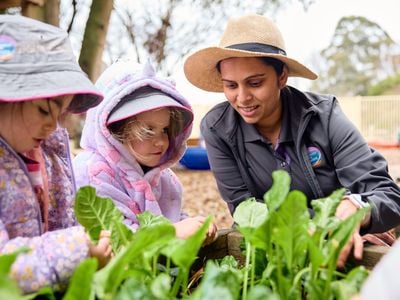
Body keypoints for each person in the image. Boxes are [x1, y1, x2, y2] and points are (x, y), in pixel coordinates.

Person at [183, 13, 400, 268]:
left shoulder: (325, 116)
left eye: (255, 83)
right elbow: (244, 210)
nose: (242, 98)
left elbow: (387, 195)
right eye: (231, 85)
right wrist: (311, 225)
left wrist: (356, 210)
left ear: (282, 76)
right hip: (275, 245)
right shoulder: (218, 128)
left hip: (348, 242)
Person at [0, 15, 112, 293]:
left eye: (60, 112)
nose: (52, 125)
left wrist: (88, 247)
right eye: (42, 110)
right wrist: (75, 251)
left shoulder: (46, 154)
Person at [73, 60, 218, 245]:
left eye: (165, 130)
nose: (161, 142)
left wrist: (194, 228)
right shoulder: (93, 174)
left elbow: (172, 217)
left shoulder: (163, 177)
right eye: (148, 131)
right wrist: (171, 234)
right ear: (115, 131)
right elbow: (113, 240)